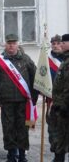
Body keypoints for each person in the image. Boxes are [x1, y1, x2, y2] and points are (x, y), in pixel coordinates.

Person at [0, 34, 38, 162]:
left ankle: (22, 155)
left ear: (18, 44)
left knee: (23, 129)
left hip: (23, 101)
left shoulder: (26, 59)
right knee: (8, 129)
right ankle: (11, 155)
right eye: (8, 43)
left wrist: (33, 99)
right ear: (5, 45)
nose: (11, 45)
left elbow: (35, 79)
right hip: (6, 102)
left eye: (13, 43)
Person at [50, 34, 69, 162]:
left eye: (63, 43)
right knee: (59, 138)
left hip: (65, 108)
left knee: (62, 138)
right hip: (59, 106)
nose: (60, 45)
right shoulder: (65, 60)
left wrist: (64, 105)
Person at [46, 34, 64, 161]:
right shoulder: (46, 61)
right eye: (54, 44)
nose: (56, 46)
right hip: (52, 101)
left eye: (58, 43)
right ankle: (58, 156)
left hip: (66, 100)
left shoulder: (66, 60)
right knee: (54, 130)